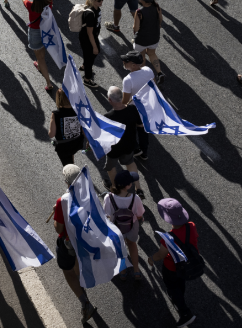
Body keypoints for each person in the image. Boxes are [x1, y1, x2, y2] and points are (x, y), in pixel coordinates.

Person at [54, 164, 97, 321]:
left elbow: (58, 229)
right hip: (84, 240)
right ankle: (82, 289)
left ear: (66, 181)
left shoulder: (62, 201)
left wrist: (57, 211)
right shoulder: (89, 195)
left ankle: (85, 303)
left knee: (68, 272)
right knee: (77, 266)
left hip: (68, 243)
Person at [148, 198, 198, 327]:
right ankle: (179, 296)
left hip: (172, 267)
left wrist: (152, 258)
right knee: (180, 284)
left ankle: (185, 313)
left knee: (171, 286)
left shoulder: (168, 237)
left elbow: (161, 254)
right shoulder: (191, 226)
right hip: (187, 264)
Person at [103, 169, 146, 281]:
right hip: (132, 226)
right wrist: (139, 218)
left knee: (120, 248)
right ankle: (136, 271)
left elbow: (106, 214)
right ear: (128, 186)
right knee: (132, 245)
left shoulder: (109, 197)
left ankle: (123, 271)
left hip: (116, 228)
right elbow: (140, 214)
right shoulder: (135, 198)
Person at [103, 86, 144, 191]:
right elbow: (140, 125)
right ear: (121, 97)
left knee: (111, 167)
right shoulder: (133, 109)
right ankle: (138, 188)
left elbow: (104, 136)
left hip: (114, 149)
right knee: (130, 163)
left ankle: (114, 186)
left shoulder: (108, 116)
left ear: (110, 100)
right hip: (129, 145)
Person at [117, 50, 153, 159]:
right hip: (146, 106)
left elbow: (126, 99)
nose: (123, 62)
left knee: (128, 128)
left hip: (134, 108)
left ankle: (136, 148)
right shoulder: (148, 70)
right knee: (142, 129)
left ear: (133, 65)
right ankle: (144, 153)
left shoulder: (128, 80)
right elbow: (153, 86)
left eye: (126, 61)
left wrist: (120, 109)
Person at [22, 0, 54, 91]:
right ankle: (39, 65)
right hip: (45, 31)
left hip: (35, 32)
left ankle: (49, 82)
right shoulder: (49, 3)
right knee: (42, 51)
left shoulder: (31, 6)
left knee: (40, 57)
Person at [132, 0, 165, 84]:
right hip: (154, 37)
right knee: (152, 54)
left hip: (142, 39)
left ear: (143, 0)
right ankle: (159, 73)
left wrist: (133, 26)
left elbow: (136, 28)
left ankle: (144, 76)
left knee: (142, 56)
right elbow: (160, 20)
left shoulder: (139, 12)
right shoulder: (157, 6)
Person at [49, 89, 85, 164]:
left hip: (63, 146)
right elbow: (83, 130)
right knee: (71, 156)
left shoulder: (56, 114)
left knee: (68, 168)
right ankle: (72, 162)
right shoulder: (79, 111)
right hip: (76, 142)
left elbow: (51, 134)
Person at [78, 0, 103, 87]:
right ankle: (87, 79)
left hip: (92, 35)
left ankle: (84, 66)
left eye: (102, 0)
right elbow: (89, 32)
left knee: (89, 56)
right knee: (91, 57)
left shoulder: (96, 8)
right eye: (98, 0)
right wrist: (95, 47)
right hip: (87, 38)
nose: (101, 2)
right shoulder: (90, 14)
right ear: (92, 1)